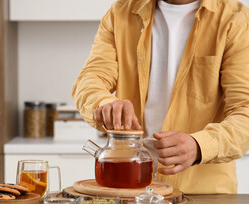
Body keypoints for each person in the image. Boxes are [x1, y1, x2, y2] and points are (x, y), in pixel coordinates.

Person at [72, 0, 249, 193]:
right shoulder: (120, 12)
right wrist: (104, 102)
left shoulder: (235, 19)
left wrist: (199, 146)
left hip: (205, 195)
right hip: (130, 189)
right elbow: (90, 79)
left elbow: (245, 111)